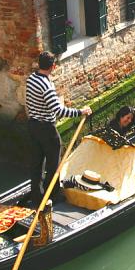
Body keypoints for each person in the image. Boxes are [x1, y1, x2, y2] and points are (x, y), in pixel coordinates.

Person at [22, 51, 92, 207]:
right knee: (54, 164)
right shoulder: (46, 85)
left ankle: (37, 196)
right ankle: (52, 194)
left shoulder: (31, 79)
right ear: (53, 66)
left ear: (39, 64)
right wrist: (81, 112)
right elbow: (59, 111)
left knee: (37, 162)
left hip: (33, 125)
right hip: (46, 129)